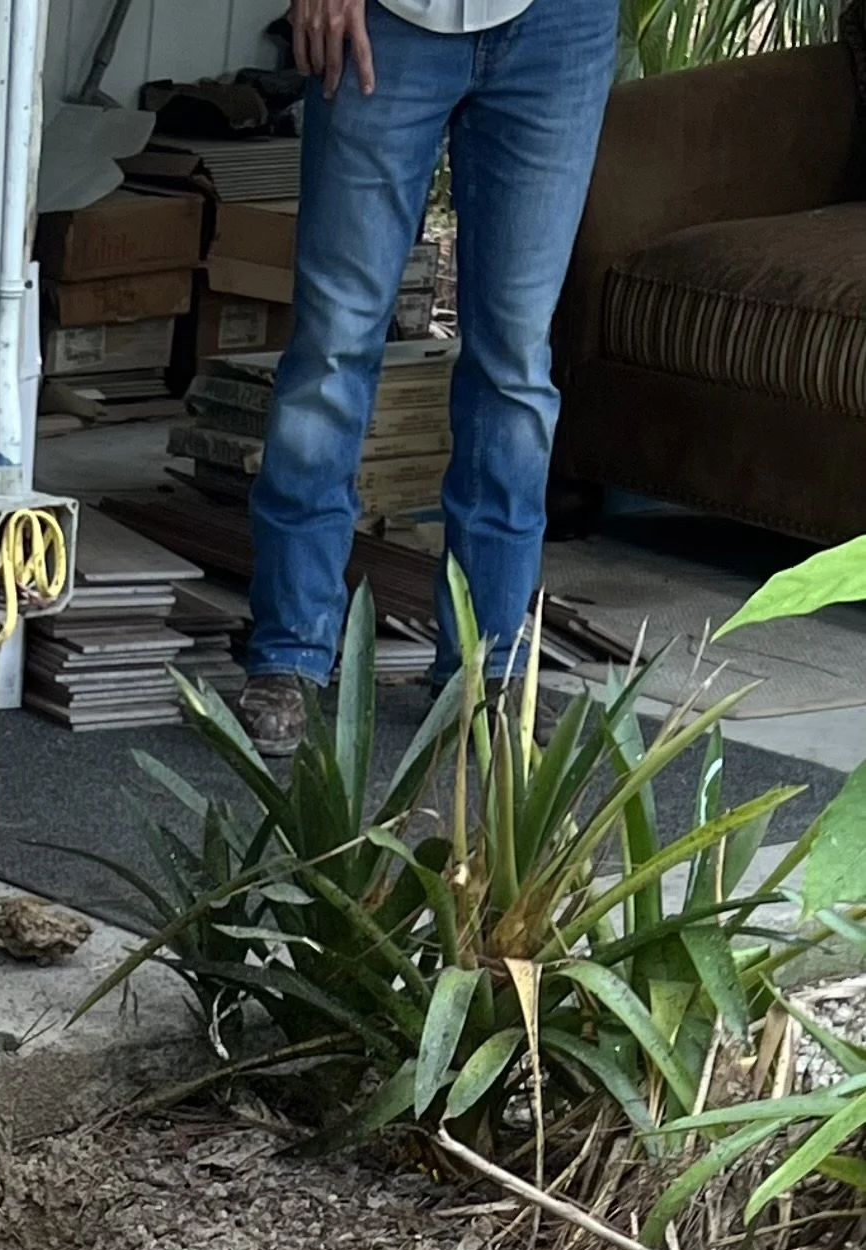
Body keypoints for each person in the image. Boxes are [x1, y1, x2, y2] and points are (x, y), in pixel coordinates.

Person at [235, 0, 617, 757]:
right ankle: (290, 653)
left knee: (515, 364)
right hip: (387, 18)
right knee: (335, 345)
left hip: (559, 26)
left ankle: (489, 670)